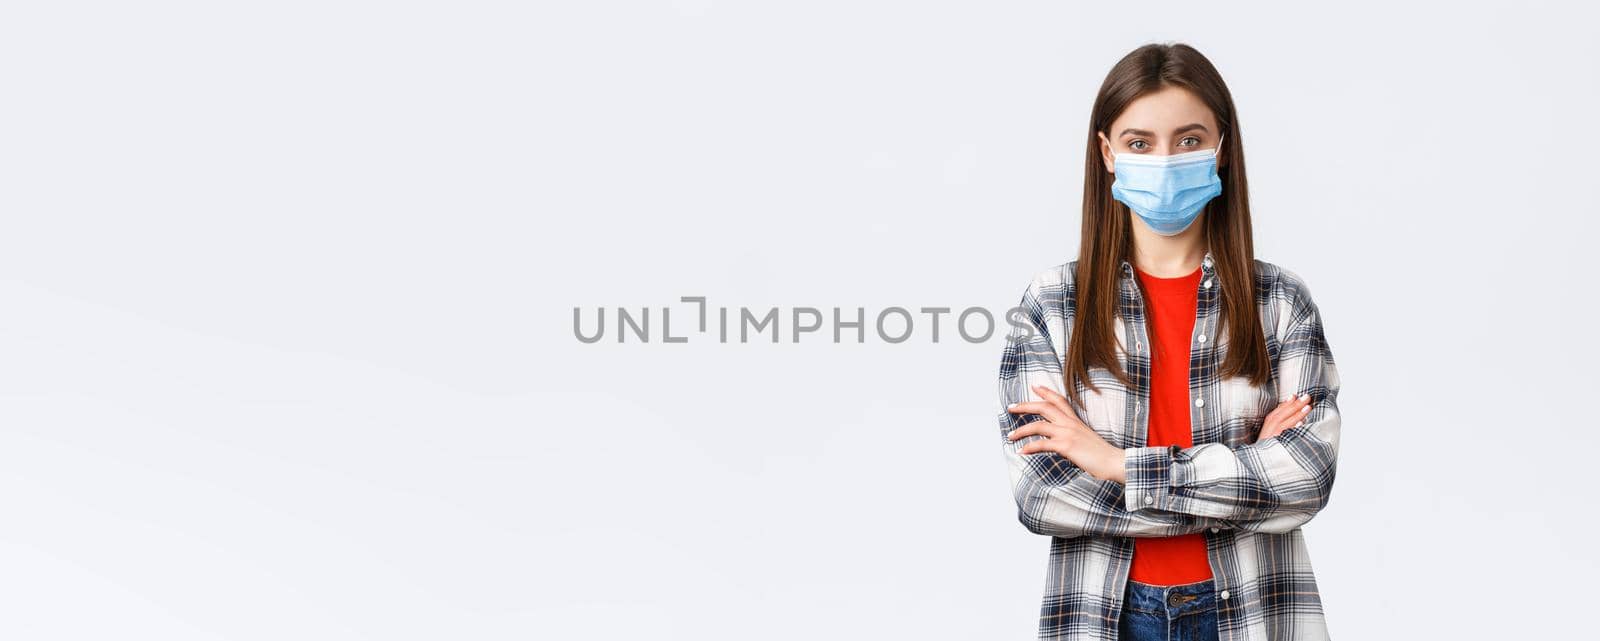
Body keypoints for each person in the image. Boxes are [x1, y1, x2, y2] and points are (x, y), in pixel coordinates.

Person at [996, 42, 1341, 641]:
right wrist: (1244, 479)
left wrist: (1112, 464)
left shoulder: (1280, 302)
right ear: (1107, 153)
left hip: (1253, 611)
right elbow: (1042, 496)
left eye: (1188, 140)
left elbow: (1306, 478)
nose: (1164, 160)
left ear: (1221, 149)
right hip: (1109, 614)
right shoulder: (1053, 305)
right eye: (1139, 143)